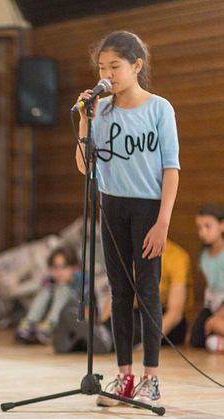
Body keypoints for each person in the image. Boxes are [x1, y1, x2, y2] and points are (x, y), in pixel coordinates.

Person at [74, 31, 180, 407]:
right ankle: (124, 376)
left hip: (148, 209)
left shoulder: (159, 109)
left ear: (137, 65)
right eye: (102, 67)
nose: (107, 74)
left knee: (147, 291)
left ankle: (150, 378)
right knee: (119, 293)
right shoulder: (101, 111)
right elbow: (86, 168)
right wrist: (85, 125)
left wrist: (163, 221)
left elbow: (171, 169)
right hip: (112, 206)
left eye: (114, 66)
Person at [15, 246, 83, 345]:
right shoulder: (51, 281)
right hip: (54, 312)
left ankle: (49, 327)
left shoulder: (81, 280)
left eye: (64, 267)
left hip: (73, 314)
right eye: (55, 267)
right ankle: (28, 324)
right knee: (45, 291)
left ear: (75, 267)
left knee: (63, 289)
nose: (59, 272)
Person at [190, 203, 224, 353]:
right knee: (197, 338)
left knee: (215, 325)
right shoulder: (204, 256)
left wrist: (219, 316)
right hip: (213, 305)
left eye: (208, 226)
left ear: (222, 226)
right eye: (199, 227)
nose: (203, 232)